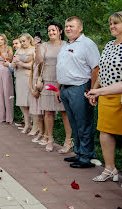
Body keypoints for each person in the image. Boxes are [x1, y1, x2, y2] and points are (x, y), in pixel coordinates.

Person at [85, 11, 122, 187]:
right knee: (104, 132)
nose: (112, 26)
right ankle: (110, 169)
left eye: (115, 23)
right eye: (110, 23)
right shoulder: (109, 45)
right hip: (106, 95)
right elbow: (102, 72)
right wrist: (94, 91)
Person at [56, 16, 100, 168]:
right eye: (67, 26)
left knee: (84, 123)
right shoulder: (65, 45)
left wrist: (93, 90)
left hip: (80, 88)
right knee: (74, 124)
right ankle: (79, 152)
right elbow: (62, 67)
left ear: (80, 28)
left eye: (71, 26)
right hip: (65, 89)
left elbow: (96, 68)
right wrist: (58, 88)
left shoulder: (87, 44)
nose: (68, 28)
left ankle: (87, 157)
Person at [35, 22, 72, 152]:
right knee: (48, 111)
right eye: (49, 30)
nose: (51, 32)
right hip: (48, 82)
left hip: (62, 80)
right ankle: (49, 138)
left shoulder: (66, 45)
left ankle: (68, 140)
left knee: (64, 111)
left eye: (54, 30)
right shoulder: (44, 45)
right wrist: (37, 49)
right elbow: (39, 61)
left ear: (60, 31)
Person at [13, 33, 35, 133]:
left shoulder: (33, 49)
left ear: (29, 40)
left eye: (24, 41)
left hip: (28, 77)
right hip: (19, 77)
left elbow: (35, 65)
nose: (22, 43)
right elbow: (13, 63)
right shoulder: (18, 50)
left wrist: (21, 63)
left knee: (30, 102)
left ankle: (36, 126)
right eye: (21, 41)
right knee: (22, 102)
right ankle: (27, 124)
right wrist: (13, 63)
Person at [0, 34, 14, 123]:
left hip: (6, 70)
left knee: (8, 92)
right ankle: (0, 117)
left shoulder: (9, 48)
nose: (0, 41)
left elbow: (11, 60)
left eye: (1, 39)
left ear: (5, 40)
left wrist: (2, 55)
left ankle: (9, 118)